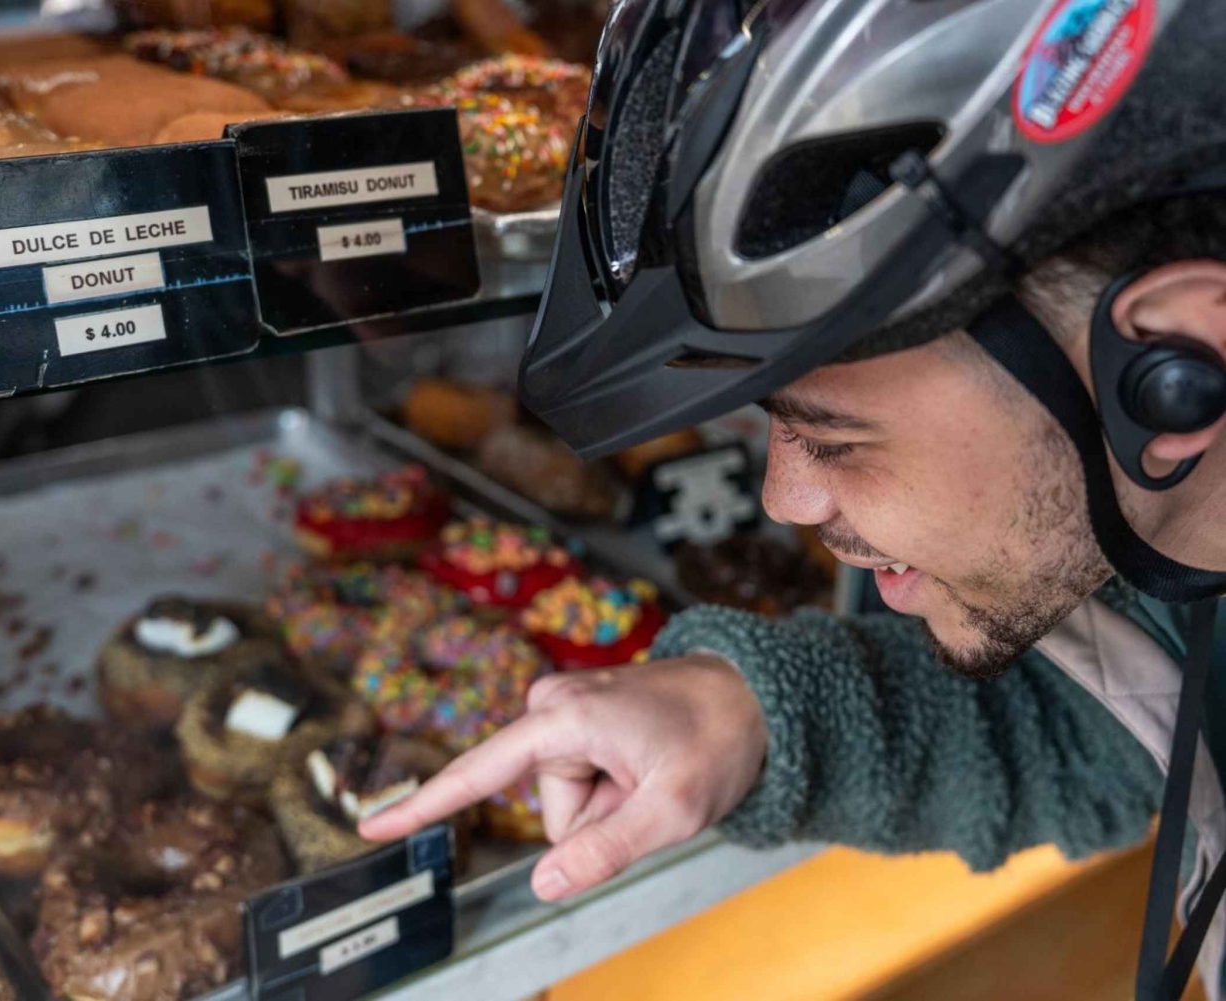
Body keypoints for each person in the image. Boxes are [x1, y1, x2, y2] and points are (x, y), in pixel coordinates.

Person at [362, 2, 1226, 998]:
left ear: (1179, 363)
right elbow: (1121, 738)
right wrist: (749, 715)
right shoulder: (1158, 559)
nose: (787, 498)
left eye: (836, 435)